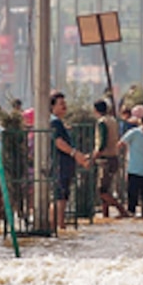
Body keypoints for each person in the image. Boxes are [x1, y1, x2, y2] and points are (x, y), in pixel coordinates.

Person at [48, 92, 91, 231]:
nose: (64, 106)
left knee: (63, 195)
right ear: (52, 106)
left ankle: (59, 225)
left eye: (64, 104)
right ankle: (59, 226)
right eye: (61, 104)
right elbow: (58, 142)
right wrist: (75, 153)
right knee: (60, 196)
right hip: (60, 164)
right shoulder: (54, 122)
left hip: (65, 165)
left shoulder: (59, 123)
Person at [91, 99, 126, 219]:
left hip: (105, 159)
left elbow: (102, 142)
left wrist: (94, 156)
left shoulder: (102, 122)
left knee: (102, 191)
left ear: (95, 110)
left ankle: (121, 209)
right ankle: (106, 215)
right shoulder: (113, 120)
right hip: (114, 157)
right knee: (106, 188)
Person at [120, 111, 143, 218]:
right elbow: (121, 143)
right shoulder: (134, 133)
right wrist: (125, 160)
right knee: (132, 199)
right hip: (134, 170)